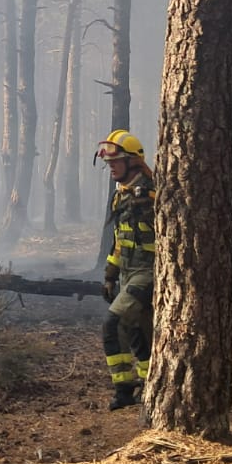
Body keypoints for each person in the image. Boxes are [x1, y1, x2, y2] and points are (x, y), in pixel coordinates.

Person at [95, 129, 155, 411]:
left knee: (113, 323)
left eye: (115, 162)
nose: (111, 168)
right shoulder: (121, 196)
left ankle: (123, 389)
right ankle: (146, 387)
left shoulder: (152, 193)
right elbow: (120, 242)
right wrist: (110, 275)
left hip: (149, 272)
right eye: (108, 163)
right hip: (129, 272)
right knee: (139, 333)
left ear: (132, 161)